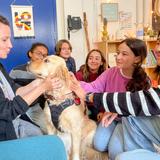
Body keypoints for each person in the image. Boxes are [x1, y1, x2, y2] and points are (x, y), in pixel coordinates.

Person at [70, 38, 151, 160]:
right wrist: (75, 82)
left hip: (129, 121)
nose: (118, 57)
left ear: (137, 58)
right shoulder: (110, 72)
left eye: (124, 54)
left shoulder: (144, 80)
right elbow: (94, 87)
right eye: (117, 53)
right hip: (110, 117)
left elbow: (142, 109)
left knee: (114, 153)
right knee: (99, 144)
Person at [0, 15, 61, 141]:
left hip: (18, 118)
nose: (10, 45)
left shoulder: (0, 67)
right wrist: (43, 87)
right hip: (8, 127)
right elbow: (7, 110)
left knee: (41, 133)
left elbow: (15, 90)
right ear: (30, 54)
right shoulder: (18, 70)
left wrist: (38, 83)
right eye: (4, 40)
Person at [71, 81, 160, 160]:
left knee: (119, 157)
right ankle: (140, 152)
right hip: (116, 118)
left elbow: (143, 101)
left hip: (119, 118)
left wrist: (88, 96)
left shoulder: (143, 78)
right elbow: (94, 86)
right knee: (103, 146)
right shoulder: (110, 73)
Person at [9, 42, 49, 133]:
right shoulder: (16, 71)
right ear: (30, 53)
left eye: (45, 55)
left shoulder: (47, 72)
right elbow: (10, 91)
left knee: (47, 129)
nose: (41, 57)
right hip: (15, 107)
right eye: (38, 53)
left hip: (34, 108)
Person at [75, 49, 106, 121]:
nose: (93, 61)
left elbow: (106, 94)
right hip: (83, 104)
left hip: (99, 105)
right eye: (90, 58)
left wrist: (102, 111)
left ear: (101, 62)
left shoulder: (105, 75)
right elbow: (76, 95)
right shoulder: (79, 74)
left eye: (97, 59)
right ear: (87, 61)